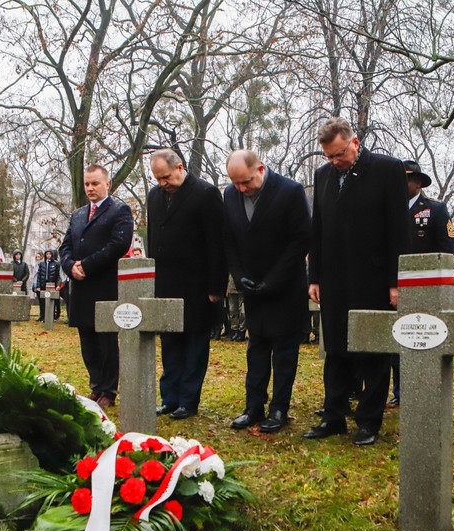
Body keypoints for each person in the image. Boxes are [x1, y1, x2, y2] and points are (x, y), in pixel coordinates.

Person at [304, 117, 411, 446]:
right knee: (335, 349)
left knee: (372, 351)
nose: (335, 162)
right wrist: (315, 276)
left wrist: (396, 282)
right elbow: (318, 230)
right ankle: (333, 416)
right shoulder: (323, 176)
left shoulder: (387, 170)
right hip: (334, 278)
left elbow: (398, 229)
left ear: (355, 142)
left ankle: (368, 420)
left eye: (339, 155)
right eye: (329, 157)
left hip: (373, 277)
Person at [223, 149, 311, 433]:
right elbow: (230, 241)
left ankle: (279, 409)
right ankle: (254, 407)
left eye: (246, 182)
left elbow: (301, 240)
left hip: (285, 286)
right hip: (252, 287)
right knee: (256, 348)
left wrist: (273, 280)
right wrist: (240, 276)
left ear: (260, 169)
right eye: (236, 183)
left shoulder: (290, 191)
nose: (241, 189)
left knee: (284, 352)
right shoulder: (230, 194)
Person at [146, 149, 227, 420]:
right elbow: (153, 238)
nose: (162, 183)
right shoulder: (154, 196)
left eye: (166, 177)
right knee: (170, 345)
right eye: (157, 178)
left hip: (198, 286)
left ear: (179, 167)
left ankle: (187, 401)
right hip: (166, 284)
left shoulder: (205, 193)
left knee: (194, 346)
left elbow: (217, 244)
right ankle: (169, 398)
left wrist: (216, 288)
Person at [60, 165, 134, 408]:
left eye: (95, 183)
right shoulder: (79, 214)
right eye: (87, 184)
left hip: (104, 285)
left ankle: (109, 391)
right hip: (80, 287)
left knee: (105, 341)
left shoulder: (119, 211)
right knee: (87, 340)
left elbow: (118, 245)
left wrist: (87, 266)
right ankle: (95, 385)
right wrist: (70, 265)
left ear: (107, 184)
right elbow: (66, 246)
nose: (90, 188)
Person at [386, 159, 454, 407]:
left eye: (406, 179)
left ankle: (426, 391)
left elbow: (447, 250)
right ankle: (400, 391)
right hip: (394, 287)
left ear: (417, 182)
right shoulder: (388, 210)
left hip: (426, 289)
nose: (402, 184)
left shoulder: (436, 210)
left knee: (425, 341)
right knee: (398, 342)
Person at [35, 249, 61, 321]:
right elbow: (39, 276)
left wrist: (58, 285)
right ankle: (43, 316)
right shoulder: (41, 264)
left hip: (52, 284)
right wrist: (38, 286)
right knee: (43, 301)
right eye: (47, 254)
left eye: (50, 254)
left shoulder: (56, 264)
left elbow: (59, 275)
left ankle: (51, 316)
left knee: (52, 300)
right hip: (43, 284)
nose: (48, 255)